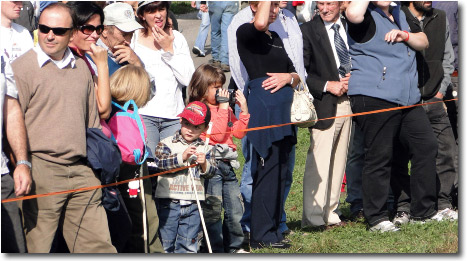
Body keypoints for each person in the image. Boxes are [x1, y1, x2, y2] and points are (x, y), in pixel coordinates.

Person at [11, 2, 116, 252]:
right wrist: (22, 165)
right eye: (44, 28)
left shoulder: (81, 67)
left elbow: (94, 119)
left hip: (83, 169)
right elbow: (12, 124)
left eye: (58, 31)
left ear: (71, 33)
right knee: (38, 248)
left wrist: (95, 168)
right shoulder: (20, 69)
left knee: (98, 247)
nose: (49, 35)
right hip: (41, 170)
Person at [345, 1, 437, 232]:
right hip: (374, 95)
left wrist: (405, 35)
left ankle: (422, 211)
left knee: (426, 146)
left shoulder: (400, 13)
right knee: (379, 156)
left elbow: (423, 40)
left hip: (408, 99)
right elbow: (353, 13)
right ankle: (376, 218)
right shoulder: (364, 17)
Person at [227, 0, 306, 242]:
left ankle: (274, 228)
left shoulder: (276, 38)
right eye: (269, 5)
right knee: (266, 171)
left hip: (284, 115)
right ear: (254, 5)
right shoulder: (246, 32)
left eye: (276, 6)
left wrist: (287, 77)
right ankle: (261, 233)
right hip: (264, 113)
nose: (275, 10)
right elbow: (259, 22)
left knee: (281, 171)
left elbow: (296, 75)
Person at [392, 1, 458, 226]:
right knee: (400, 155)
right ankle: (403, 206)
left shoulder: (439, 16)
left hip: (434, 98)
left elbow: (447, 57)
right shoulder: (396, 15)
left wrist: (440, 92)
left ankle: (443, 203)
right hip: (405, 101)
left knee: (446, 150)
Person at [187, 64, 250, 253]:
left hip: (227, 164)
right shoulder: (198, 108)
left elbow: (238, 133)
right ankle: (214, 249)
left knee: (235, 208)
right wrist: (223, 107)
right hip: (210, 164)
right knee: (213, 210)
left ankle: (235, 246)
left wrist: (244, 110)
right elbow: (218, 135)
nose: (221, 91)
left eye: (222, 86)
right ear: (202, 87)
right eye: (216, 88)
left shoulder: (224, 108)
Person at [301, 0, 352, 229]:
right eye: (320, 3)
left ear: (341, 4)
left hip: (349, 103)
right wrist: (326, 85)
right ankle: (313, 218)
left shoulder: (350, 26)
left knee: (339, 159)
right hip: (325, 103)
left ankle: (331, 212)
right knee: (319, 162)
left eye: (329, 3)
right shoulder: (308, 30)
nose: (324, 8)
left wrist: (355, 78)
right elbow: (301, 72)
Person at [105, 64, 163, 252]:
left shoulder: (107, 109)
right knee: (143, 216)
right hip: (131, 172)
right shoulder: (128, 114)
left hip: (112, 172)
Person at [132, 1, 195, 156]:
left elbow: (188, 79)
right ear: (142, 15)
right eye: (152, 11)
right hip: (144, 114)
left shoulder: (177, 38)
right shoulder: (134, 38)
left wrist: (168, 49)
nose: (158, 15)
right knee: (149, 167)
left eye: (162, 9)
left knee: (171, 171)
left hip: (173, 116)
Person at [154, 101, 217, 253]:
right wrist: (182, 156)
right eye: (187, 124)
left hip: (193, 204)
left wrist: (204, 164)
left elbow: (212, 172)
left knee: (188, 244)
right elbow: (161, 165)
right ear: (180, 121)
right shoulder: (166, 144)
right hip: (168, 203)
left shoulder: (207, 148)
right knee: (165, 243)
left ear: (205, 128)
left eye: (197, 127)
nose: (190, 130)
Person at [1, 52, 32, 253]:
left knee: (16, 250)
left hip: (2, 175)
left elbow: (11, 108)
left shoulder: (2, 59)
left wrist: (22, 162)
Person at [67, 1, 112, 120]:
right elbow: (103, 110)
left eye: (98, 29)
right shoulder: (69, 60)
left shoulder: (84, 56)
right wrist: (102, 65)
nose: (95, 35)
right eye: (88, 29)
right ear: (72, 29)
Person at [97, 2, 143, 76]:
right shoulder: (91, 56)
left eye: (131, 34)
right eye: (124, 34)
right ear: (105, 30)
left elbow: (149, 86)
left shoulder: (130, 56)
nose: (128, 41)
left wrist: (138, 64)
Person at [208, 1, 239, 72]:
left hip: (215, 4)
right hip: (230, 3)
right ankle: (225, 61)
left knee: (215, 31)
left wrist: (202, 2)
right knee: (227, 32)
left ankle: (216, 59)